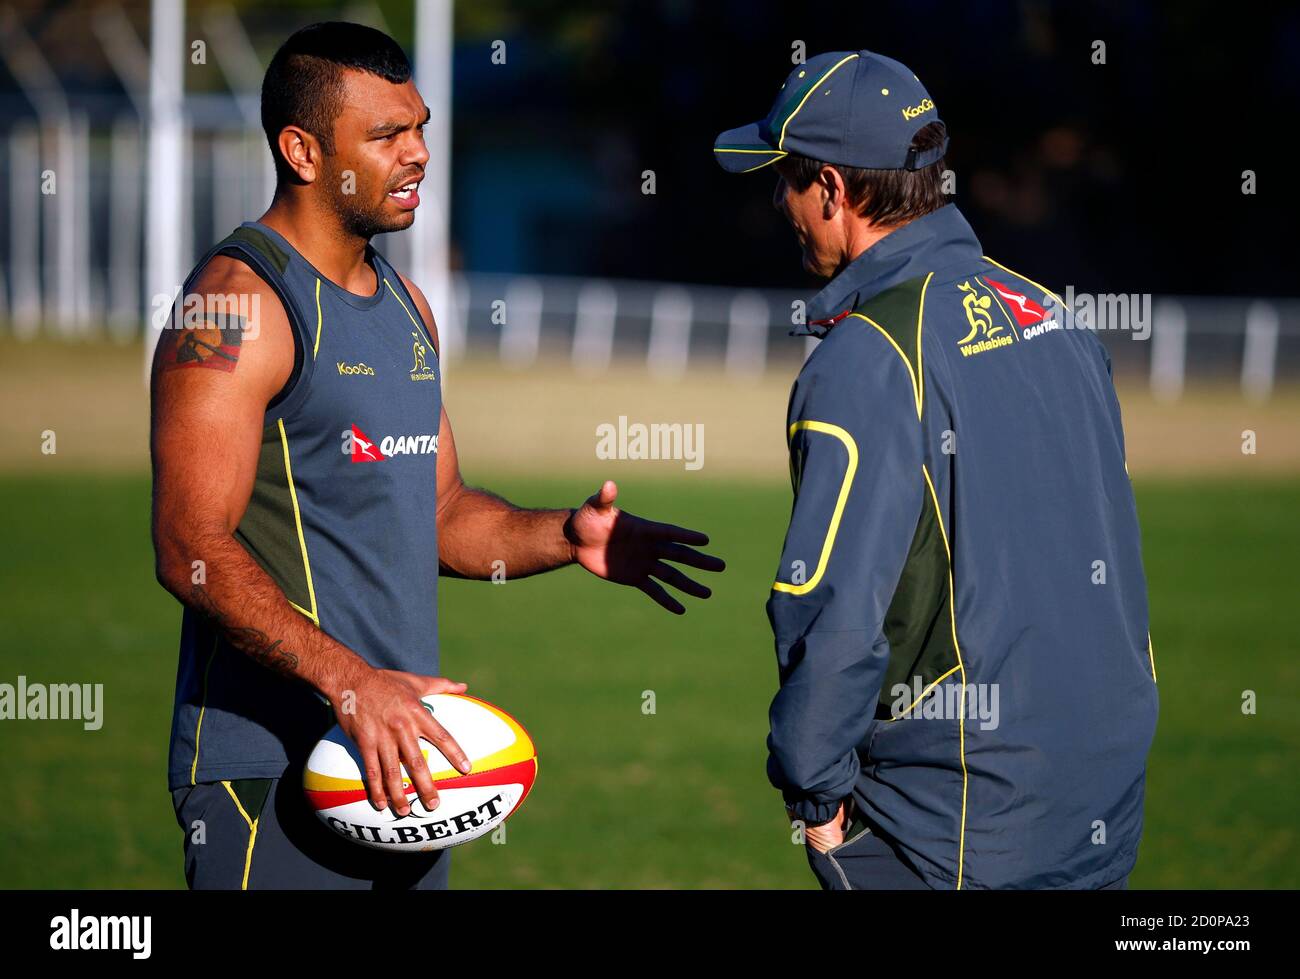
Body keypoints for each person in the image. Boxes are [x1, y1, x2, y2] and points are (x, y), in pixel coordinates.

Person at [153, 22, 724, 890]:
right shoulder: (236, 303)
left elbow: (443, 513)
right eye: (387, 136)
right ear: (303, 151)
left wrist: (567, 538)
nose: (418, 153)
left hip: (411, 769)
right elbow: (189, 545)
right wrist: (352, 686)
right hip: (271, 775)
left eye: (418, 127)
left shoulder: (406, 304)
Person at [714, 50, 1157, 889]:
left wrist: (814, 788)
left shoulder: (866, 354)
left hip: (955, 818)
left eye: (787, 180)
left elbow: (834, 604)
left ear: (835, 192)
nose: (780, 202)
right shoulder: (1052, 313)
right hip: (1103, 789)